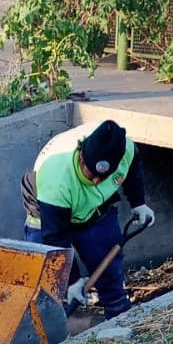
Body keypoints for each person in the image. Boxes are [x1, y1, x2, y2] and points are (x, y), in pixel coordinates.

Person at [21, 120, 155, 319]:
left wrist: (138, 202)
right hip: (46, 214)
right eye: (91, 174)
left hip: (91, 209)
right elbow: (55, 239)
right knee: (49, 275)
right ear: (81, 156)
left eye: (102, 178)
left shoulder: (124, 148)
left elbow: (132, 166)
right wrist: (72, 280)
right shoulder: (56, 180)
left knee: (106, 263)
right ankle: (48, 324)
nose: (95, 181)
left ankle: (118, 312)